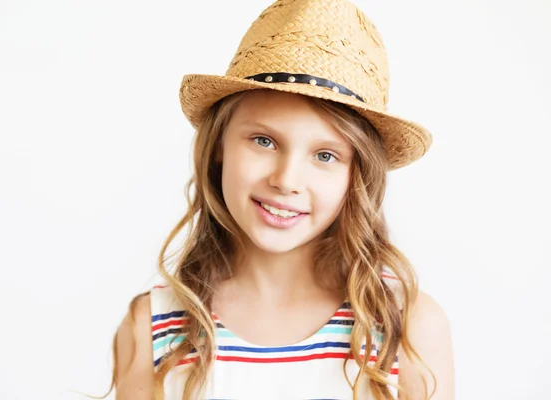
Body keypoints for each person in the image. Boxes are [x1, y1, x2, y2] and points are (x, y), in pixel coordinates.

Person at [102, 0, 455, 398]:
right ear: (218, 145)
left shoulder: (405, 329)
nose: (286, 180)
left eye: (325, 155)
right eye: (264, 141)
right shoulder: (152, 328)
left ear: (357, 175)